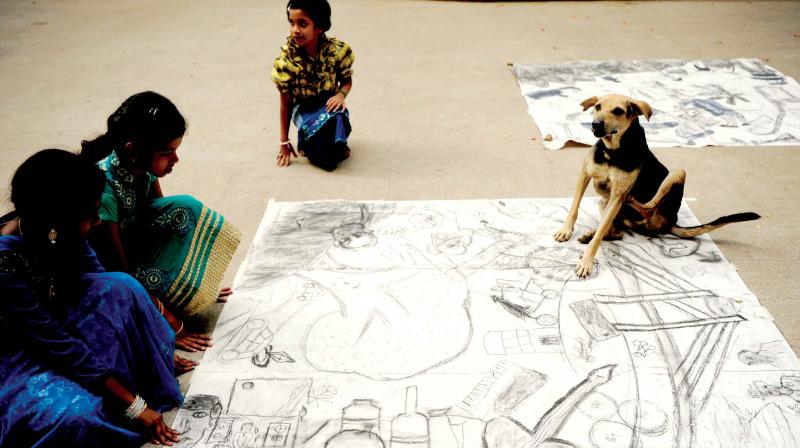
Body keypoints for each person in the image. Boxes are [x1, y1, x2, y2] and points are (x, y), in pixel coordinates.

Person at [0, 149, 183, 447]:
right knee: (78, 417)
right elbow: (55, 343)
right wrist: (135, 405)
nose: (98, 221)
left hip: (58, 318)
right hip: (19, 350)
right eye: (91, 215)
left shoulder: (58, 232)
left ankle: (121, 388)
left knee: (119, 286)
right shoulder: (6, 263)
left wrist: (150, 341)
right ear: (56, 225)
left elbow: (100, 280)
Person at [81, 91, 241, 353]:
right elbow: (121, 277)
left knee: (183, 209)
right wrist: (172, 325)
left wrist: (194, 286)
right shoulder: (105, 190)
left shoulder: (139, 164)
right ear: (133, 150)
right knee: (130, 295)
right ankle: (158, 303)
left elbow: (160, 220)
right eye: (167, 152)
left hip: (132, 241)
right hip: (108, 268)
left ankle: (170, 292)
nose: (175, 160)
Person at [272, 0, 355, 171]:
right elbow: (285, 104)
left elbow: (346, 81)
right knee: (328, 162)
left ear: (320, 27)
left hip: (328, 102)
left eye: (302, 24)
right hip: (303, 108)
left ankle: (332, 142)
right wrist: (284, 141)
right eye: (291, 23)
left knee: (337, 117)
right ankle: (306, 137)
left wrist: (340, 95)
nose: (295, 30)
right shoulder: (287, 61)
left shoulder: (335, 51)